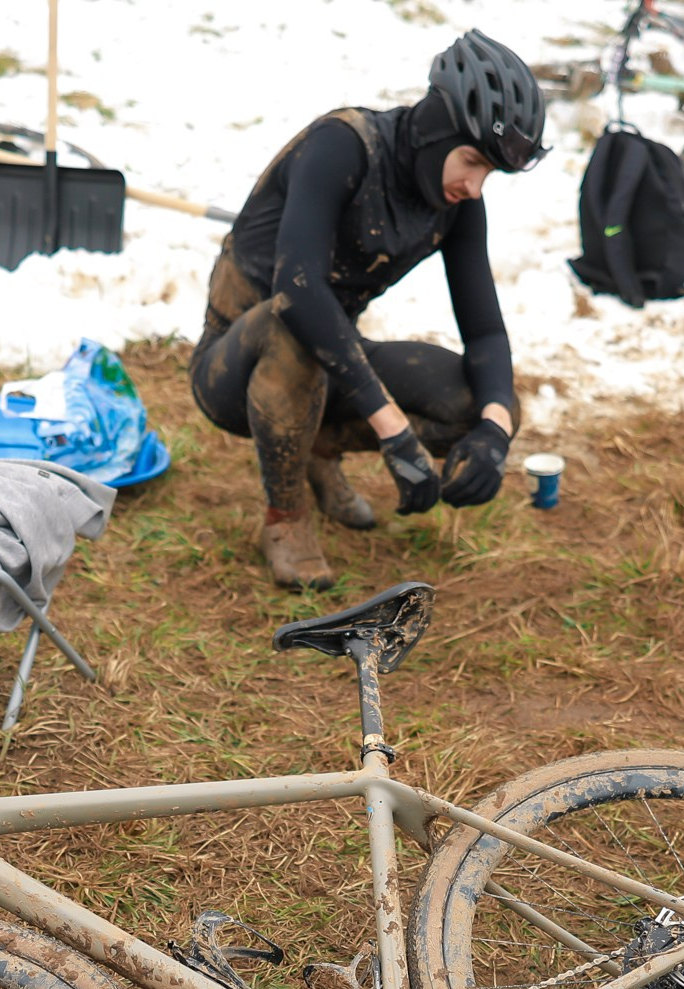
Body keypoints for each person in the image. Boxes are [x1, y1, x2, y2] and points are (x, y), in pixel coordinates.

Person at [190, 30, 547, 588]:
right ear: (436, 130)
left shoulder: (456, 203)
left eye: (490, 173)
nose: (476, 186)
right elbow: (299, 288)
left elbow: (485, 333)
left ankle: (314, 449)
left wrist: (494, 432)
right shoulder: (343, 145)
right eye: (473, 160)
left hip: (331, 366)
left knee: (476, 401)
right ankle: (286, 518)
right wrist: (393, 431)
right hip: (233, 369)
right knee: (295, 322)